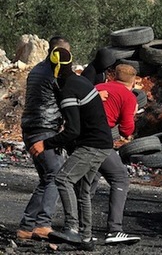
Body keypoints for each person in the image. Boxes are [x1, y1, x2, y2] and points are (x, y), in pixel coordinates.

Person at [28, 47, 113, 250]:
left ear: (53, 67)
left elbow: (73, 130)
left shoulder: (68, 89)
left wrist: (45, 144)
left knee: (62, 178)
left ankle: (72, 229)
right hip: (102, 143)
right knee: (82, 191)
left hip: (92, 145)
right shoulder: (80, 81)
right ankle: (86, 238)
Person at [17, 36, 70, 242]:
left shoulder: (36, 70)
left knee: (46, 179)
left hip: (30, 127)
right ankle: (42, 224)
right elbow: (65, 97)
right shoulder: (54, 73)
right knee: (55, 176)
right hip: (44, 129)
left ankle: (26, 227)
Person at [93, 63, 141, 245]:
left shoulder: (98, 88)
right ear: (134, 81)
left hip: (80, 138)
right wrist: (133, 114)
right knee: (120, 178)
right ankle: (115, 229)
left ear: (114, 76)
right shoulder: (128, 96)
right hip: (99, 141)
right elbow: (126, 131)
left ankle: (78, 226)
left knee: (90, 181)